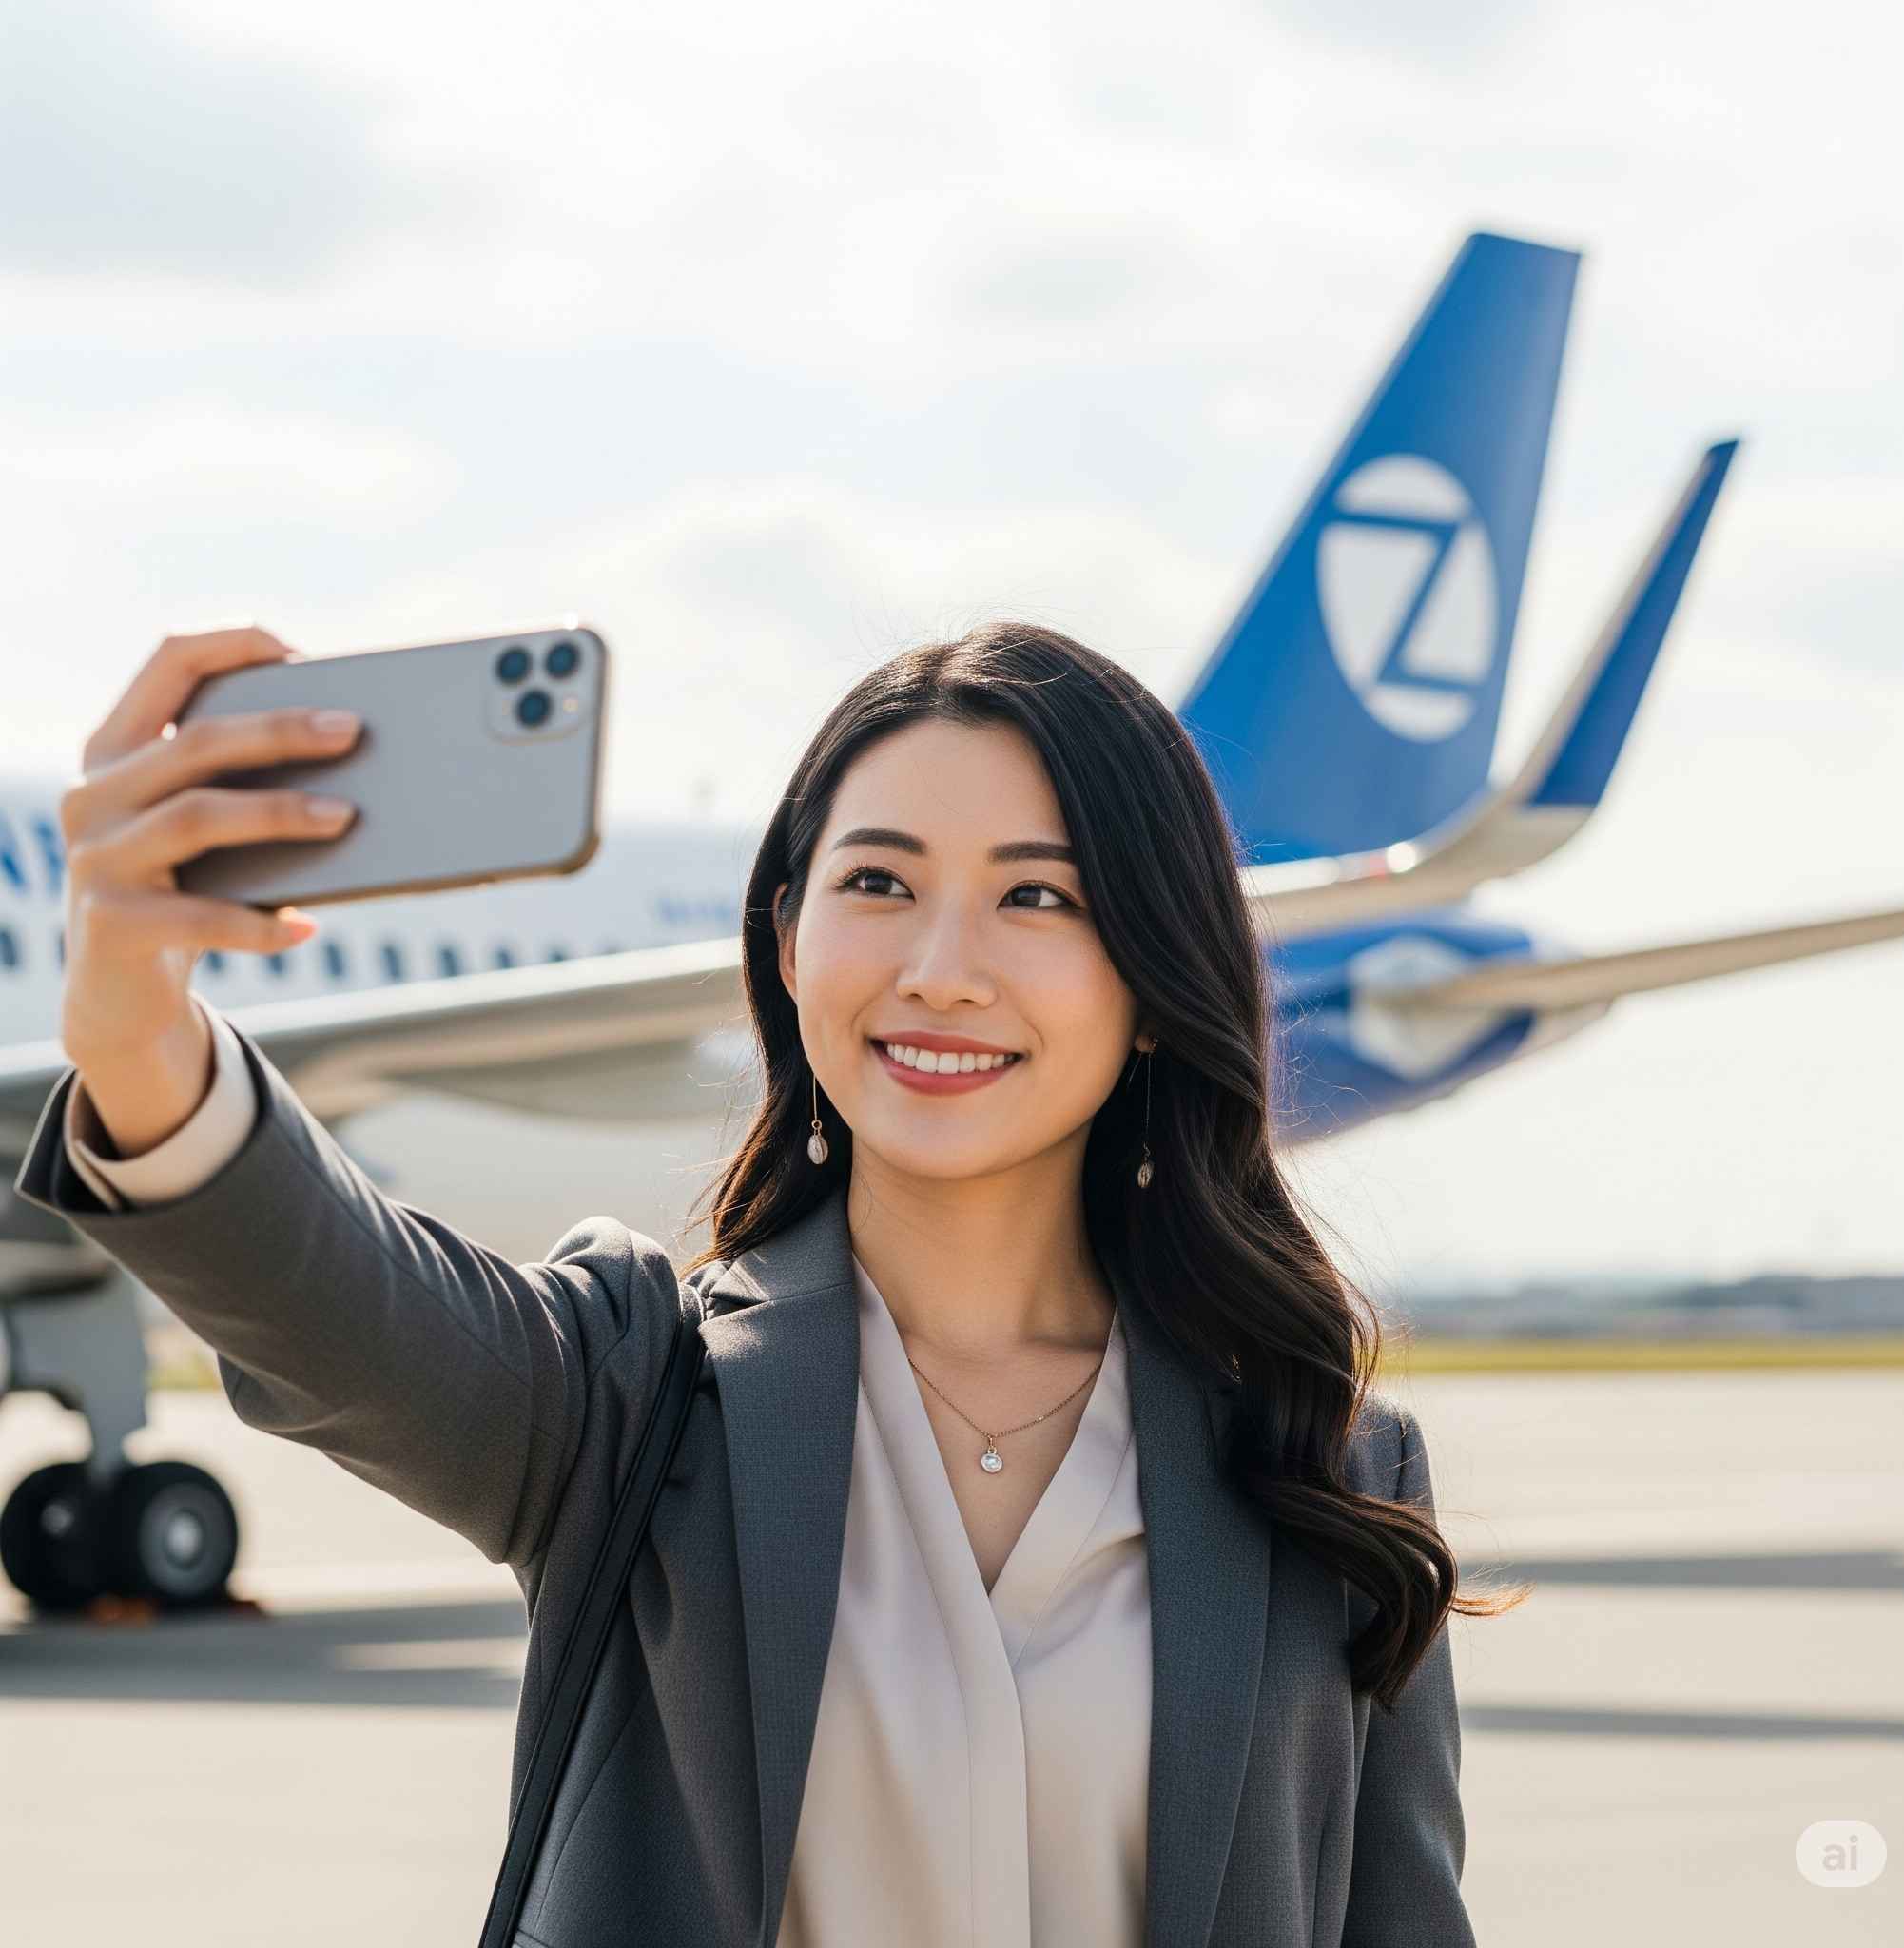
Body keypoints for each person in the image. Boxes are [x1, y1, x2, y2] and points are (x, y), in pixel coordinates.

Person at [18, 618, 1507, 1946]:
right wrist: (141, 1041)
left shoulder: (1326, 1470)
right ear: (787, 941)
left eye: (1037, 900)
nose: (939, 965)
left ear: (1149, 980)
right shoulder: (632, 1400)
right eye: (878, 882)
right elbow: (334, 1300)